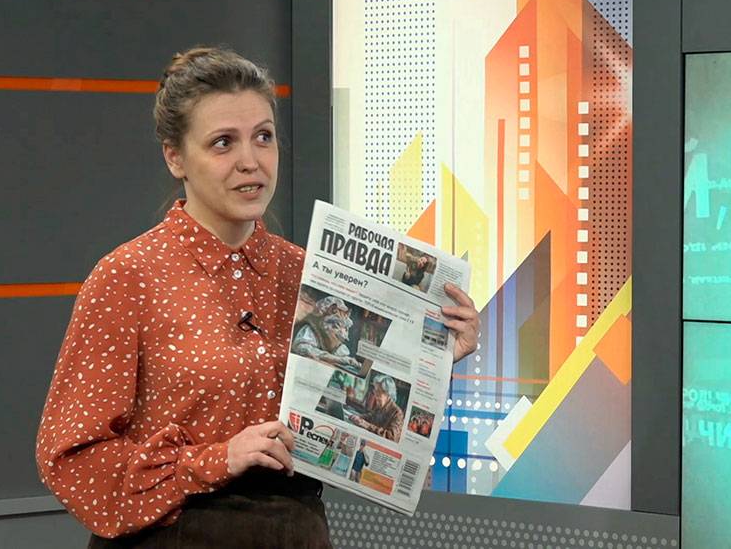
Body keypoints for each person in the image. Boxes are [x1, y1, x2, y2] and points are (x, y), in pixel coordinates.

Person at [35, 46, 481, 548]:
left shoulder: (308, 273)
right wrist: (215, 460)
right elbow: (73, 460)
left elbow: (364, 435)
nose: (250, 162)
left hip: (297, 531)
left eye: (263, 137)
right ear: (175, 157)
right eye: (223, 143)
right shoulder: (129, 276)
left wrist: (431, 360)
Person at [290, 295, 359, 370]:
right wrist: (335, 359)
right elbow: (303, 348)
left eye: (345, 328)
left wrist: (349, 361)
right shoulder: (311, 329)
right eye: (337, 326)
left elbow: (342, 356)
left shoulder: (336, 340)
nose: (343, 333)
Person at [348, 373, 405, 442]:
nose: (375, 394)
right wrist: (359, 417)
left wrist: (366, 425)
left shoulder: (398, 413)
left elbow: (391, 437)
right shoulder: (380, 405)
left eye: (378, 391)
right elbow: (371, 416)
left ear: (387, 393)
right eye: (375, 390)